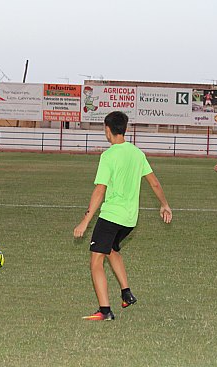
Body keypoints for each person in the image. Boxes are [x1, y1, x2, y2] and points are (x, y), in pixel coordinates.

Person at [73, 111, 172, 321]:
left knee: (96, 262)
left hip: (111, 216)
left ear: (108, 130)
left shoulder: (108, 155)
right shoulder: (137, 153)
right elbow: (154, 182)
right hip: (129, 220)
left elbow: (100, 190)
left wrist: (85, 221)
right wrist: (164, 205)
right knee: (111, 249)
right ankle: (126, 292)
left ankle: (104, 310)